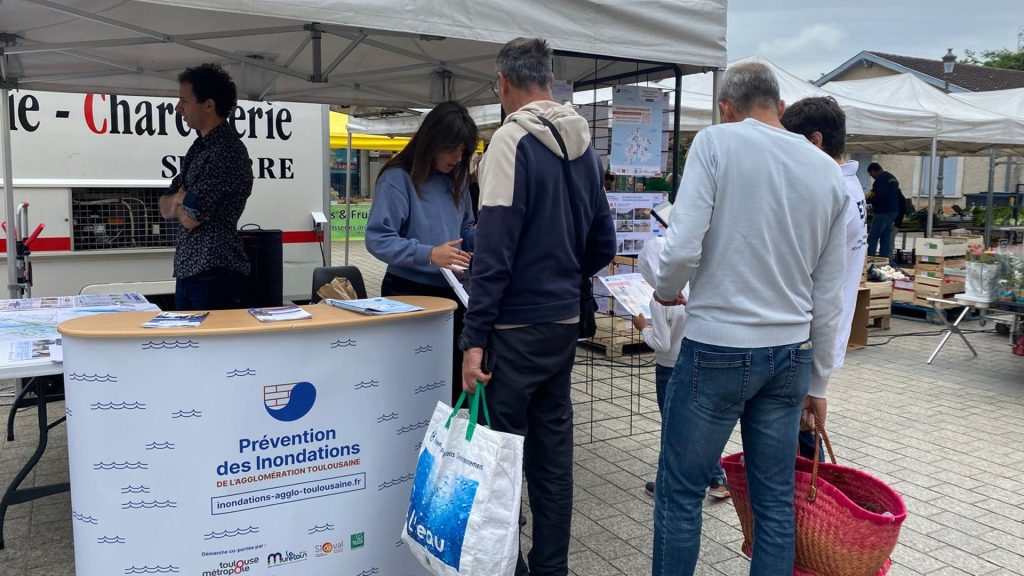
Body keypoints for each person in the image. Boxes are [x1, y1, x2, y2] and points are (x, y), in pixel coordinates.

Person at [652, 62, 847, 576]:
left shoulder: (716, 144)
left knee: (680, 493)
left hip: (717, 343)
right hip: (790, 355)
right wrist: (820, 381)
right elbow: (830, 295)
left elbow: (680, 249)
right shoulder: (827, 171)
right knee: (774, 500)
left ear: (726, 109)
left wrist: (667, 291)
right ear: (780, 108)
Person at [459, 37, 616, 576]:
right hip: (562, 324)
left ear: (503, 83)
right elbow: (605, 245)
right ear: (548, 82)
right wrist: (565, 276)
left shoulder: (510, 142)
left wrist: (473, 338)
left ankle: (505, 567)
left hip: (513, 328)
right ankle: (551, 568)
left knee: (500, 460)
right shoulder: (584, 146)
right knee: (552, 458)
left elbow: (494, 251)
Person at [365, 101, 478, 405]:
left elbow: (464, 227)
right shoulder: (397, 178)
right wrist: (429, 254)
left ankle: (446, 447)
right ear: (432, 141)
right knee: (411, 383)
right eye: (452, 149)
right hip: (408, 293)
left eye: (463, 151)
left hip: (454, 293)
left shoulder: (458, 180)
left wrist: (485, 239)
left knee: (451, 382)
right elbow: (378, 238)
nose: (457, 157)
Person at [781, 97, 868, 460]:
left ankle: (802, 514)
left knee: (797, 439)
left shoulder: (832, 193)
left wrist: (818, 381)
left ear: (815, 141)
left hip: (809, 336)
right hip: (820, 334)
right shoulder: (850, 186)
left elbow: (813, 277)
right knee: (797, 436)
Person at [631, 237, 729, 500]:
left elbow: (661, 344)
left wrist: (643, 328)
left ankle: (667, 483)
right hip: (697, 362)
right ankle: (717, 479)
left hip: (668, 369)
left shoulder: (660, 299)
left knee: (672, 426)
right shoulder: (694, 287)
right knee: (702, 422)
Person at [160, 63, 253, 311]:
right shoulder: (199, 148)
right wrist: (179, 199)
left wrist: (179, 200)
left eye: (184, 100)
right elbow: (164, 205)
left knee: (206, 347)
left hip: (214, 272)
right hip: (192, 270)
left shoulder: (226, 152)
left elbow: (191, 218)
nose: (178, 108)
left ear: (209, 105)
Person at [866, 162, 902, 262]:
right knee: (885, 238)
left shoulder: (880, 179)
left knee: (873, 238)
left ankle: (869, 261)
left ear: (873, 171)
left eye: (871, 174)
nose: (872, 177)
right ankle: (883, 262)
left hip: (882, 212)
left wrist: (869, 201)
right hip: (893, 212)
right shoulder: (892, 178)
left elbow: (879, 195)